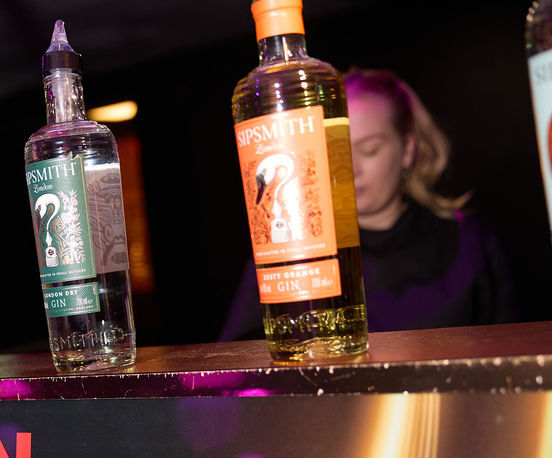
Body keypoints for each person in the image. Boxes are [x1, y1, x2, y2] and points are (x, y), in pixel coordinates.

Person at [219, 67, 518, 341]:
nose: (350, 168)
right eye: (336, 150)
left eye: (370, 150)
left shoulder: (470, 242)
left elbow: (509, 353)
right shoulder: (292, 251)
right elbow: (237, 364)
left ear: (408, 150)